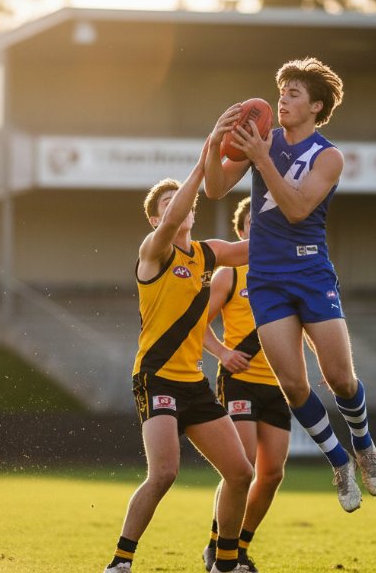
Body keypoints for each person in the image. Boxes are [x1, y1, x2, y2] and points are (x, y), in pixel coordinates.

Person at [203, 58, 376, 513]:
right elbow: (214, 189)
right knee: (294, 385)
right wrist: (213, 142)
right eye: (281, 90)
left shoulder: (329, 156)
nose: (281, 98)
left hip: (309, 271)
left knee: (340, 378)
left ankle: (364, 445)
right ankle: (340, 462)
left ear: (315, 106)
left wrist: (262, 158)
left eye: (293, 93)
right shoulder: (260, 141)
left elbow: (298, 209)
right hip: (266, 278)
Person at [103, 139, 255, 573]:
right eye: (169, 205)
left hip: (193, 383)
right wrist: (202, 165)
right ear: (156, 219)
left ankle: (224, 563)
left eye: (183, 202)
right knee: (165, 472)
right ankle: (120, 562)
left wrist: (294, 213)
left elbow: (252, 249)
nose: (180, 208)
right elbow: (173, 216)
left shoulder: (208, 253)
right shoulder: (154, 251)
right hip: (156, 378)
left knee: (241, 473)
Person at [201, 197, 290, 573]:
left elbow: (299, 326)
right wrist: (222, 353)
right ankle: (217, 546)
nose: (262, 228)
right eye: (254, 223)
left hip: (279, 385)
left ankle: (240, 546)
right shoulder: (229, 275)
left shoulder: (291, 271)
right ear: (242, 232)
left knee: (272, 475)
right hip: (239, 381)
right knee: (243, 466)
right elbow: (197, 323)